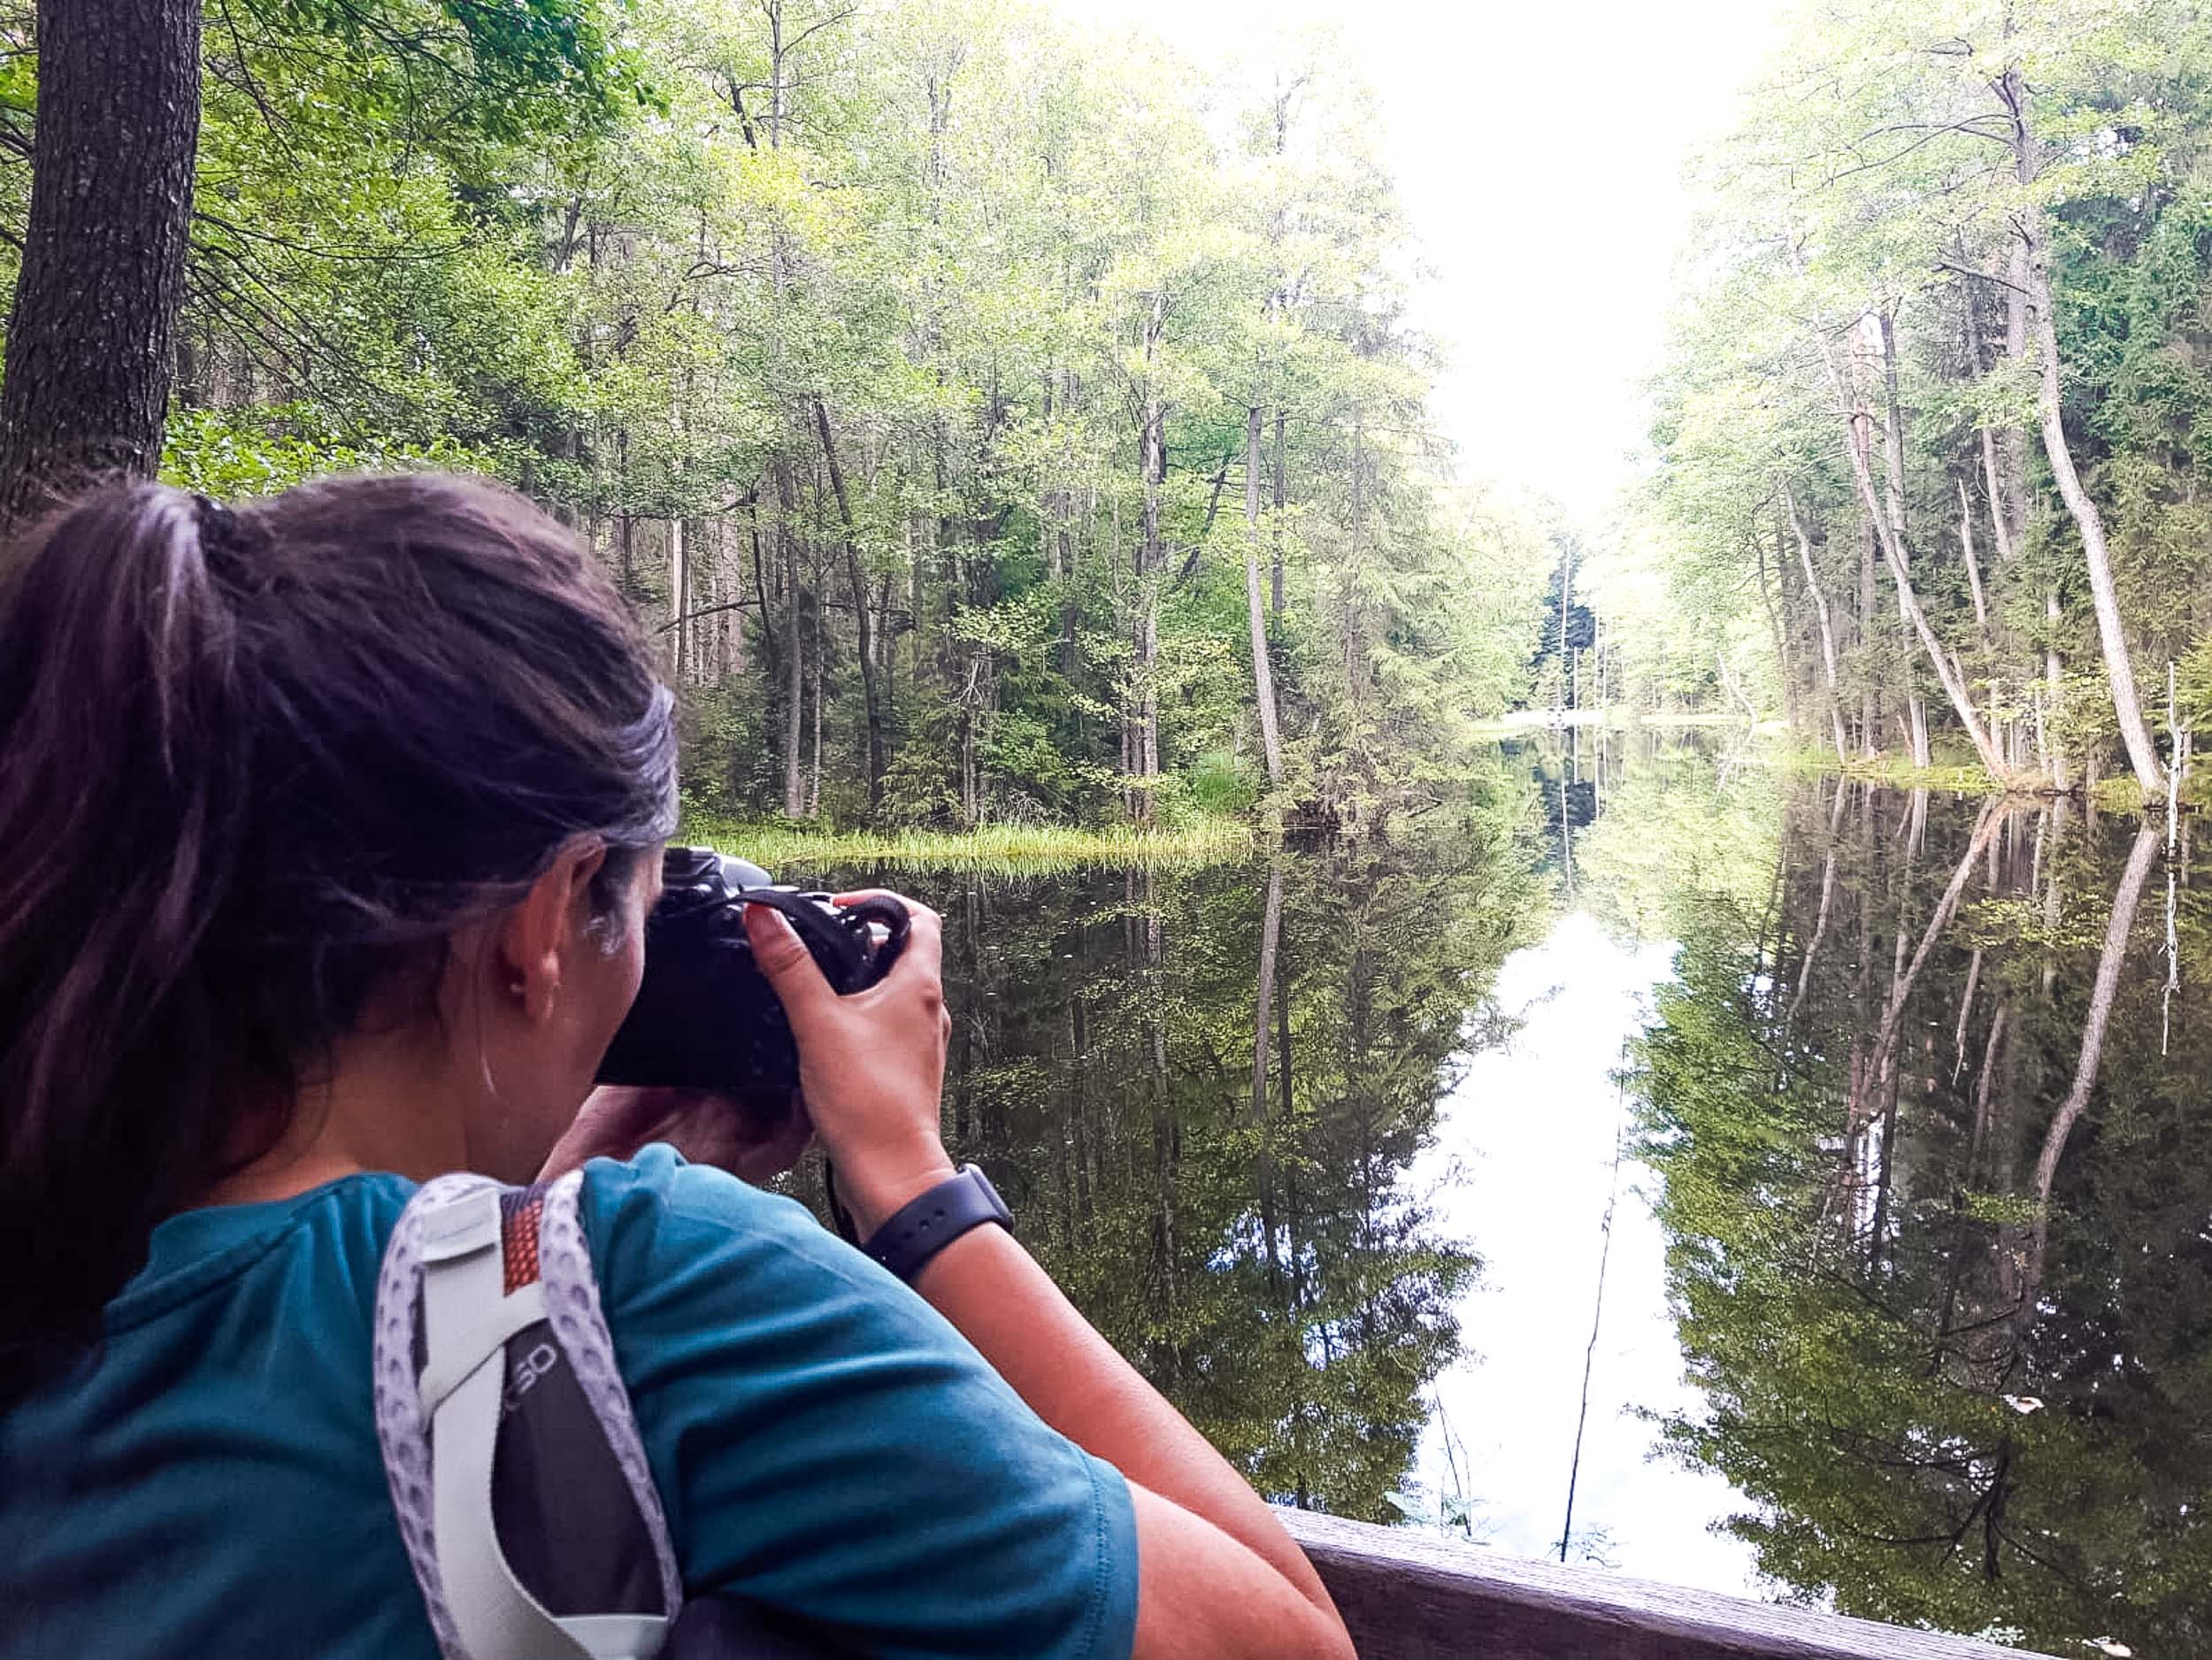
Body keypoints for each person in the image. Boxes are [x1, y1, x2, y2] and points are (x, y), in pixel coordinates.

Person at [0, 474, 1356, 1660]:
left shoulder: (64, 1235)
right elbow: (1285, 1644)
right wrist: (912, 1184)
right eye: (639, 913)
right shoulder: (663, 1285)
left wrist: (540, 1205)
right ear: (545, 921)